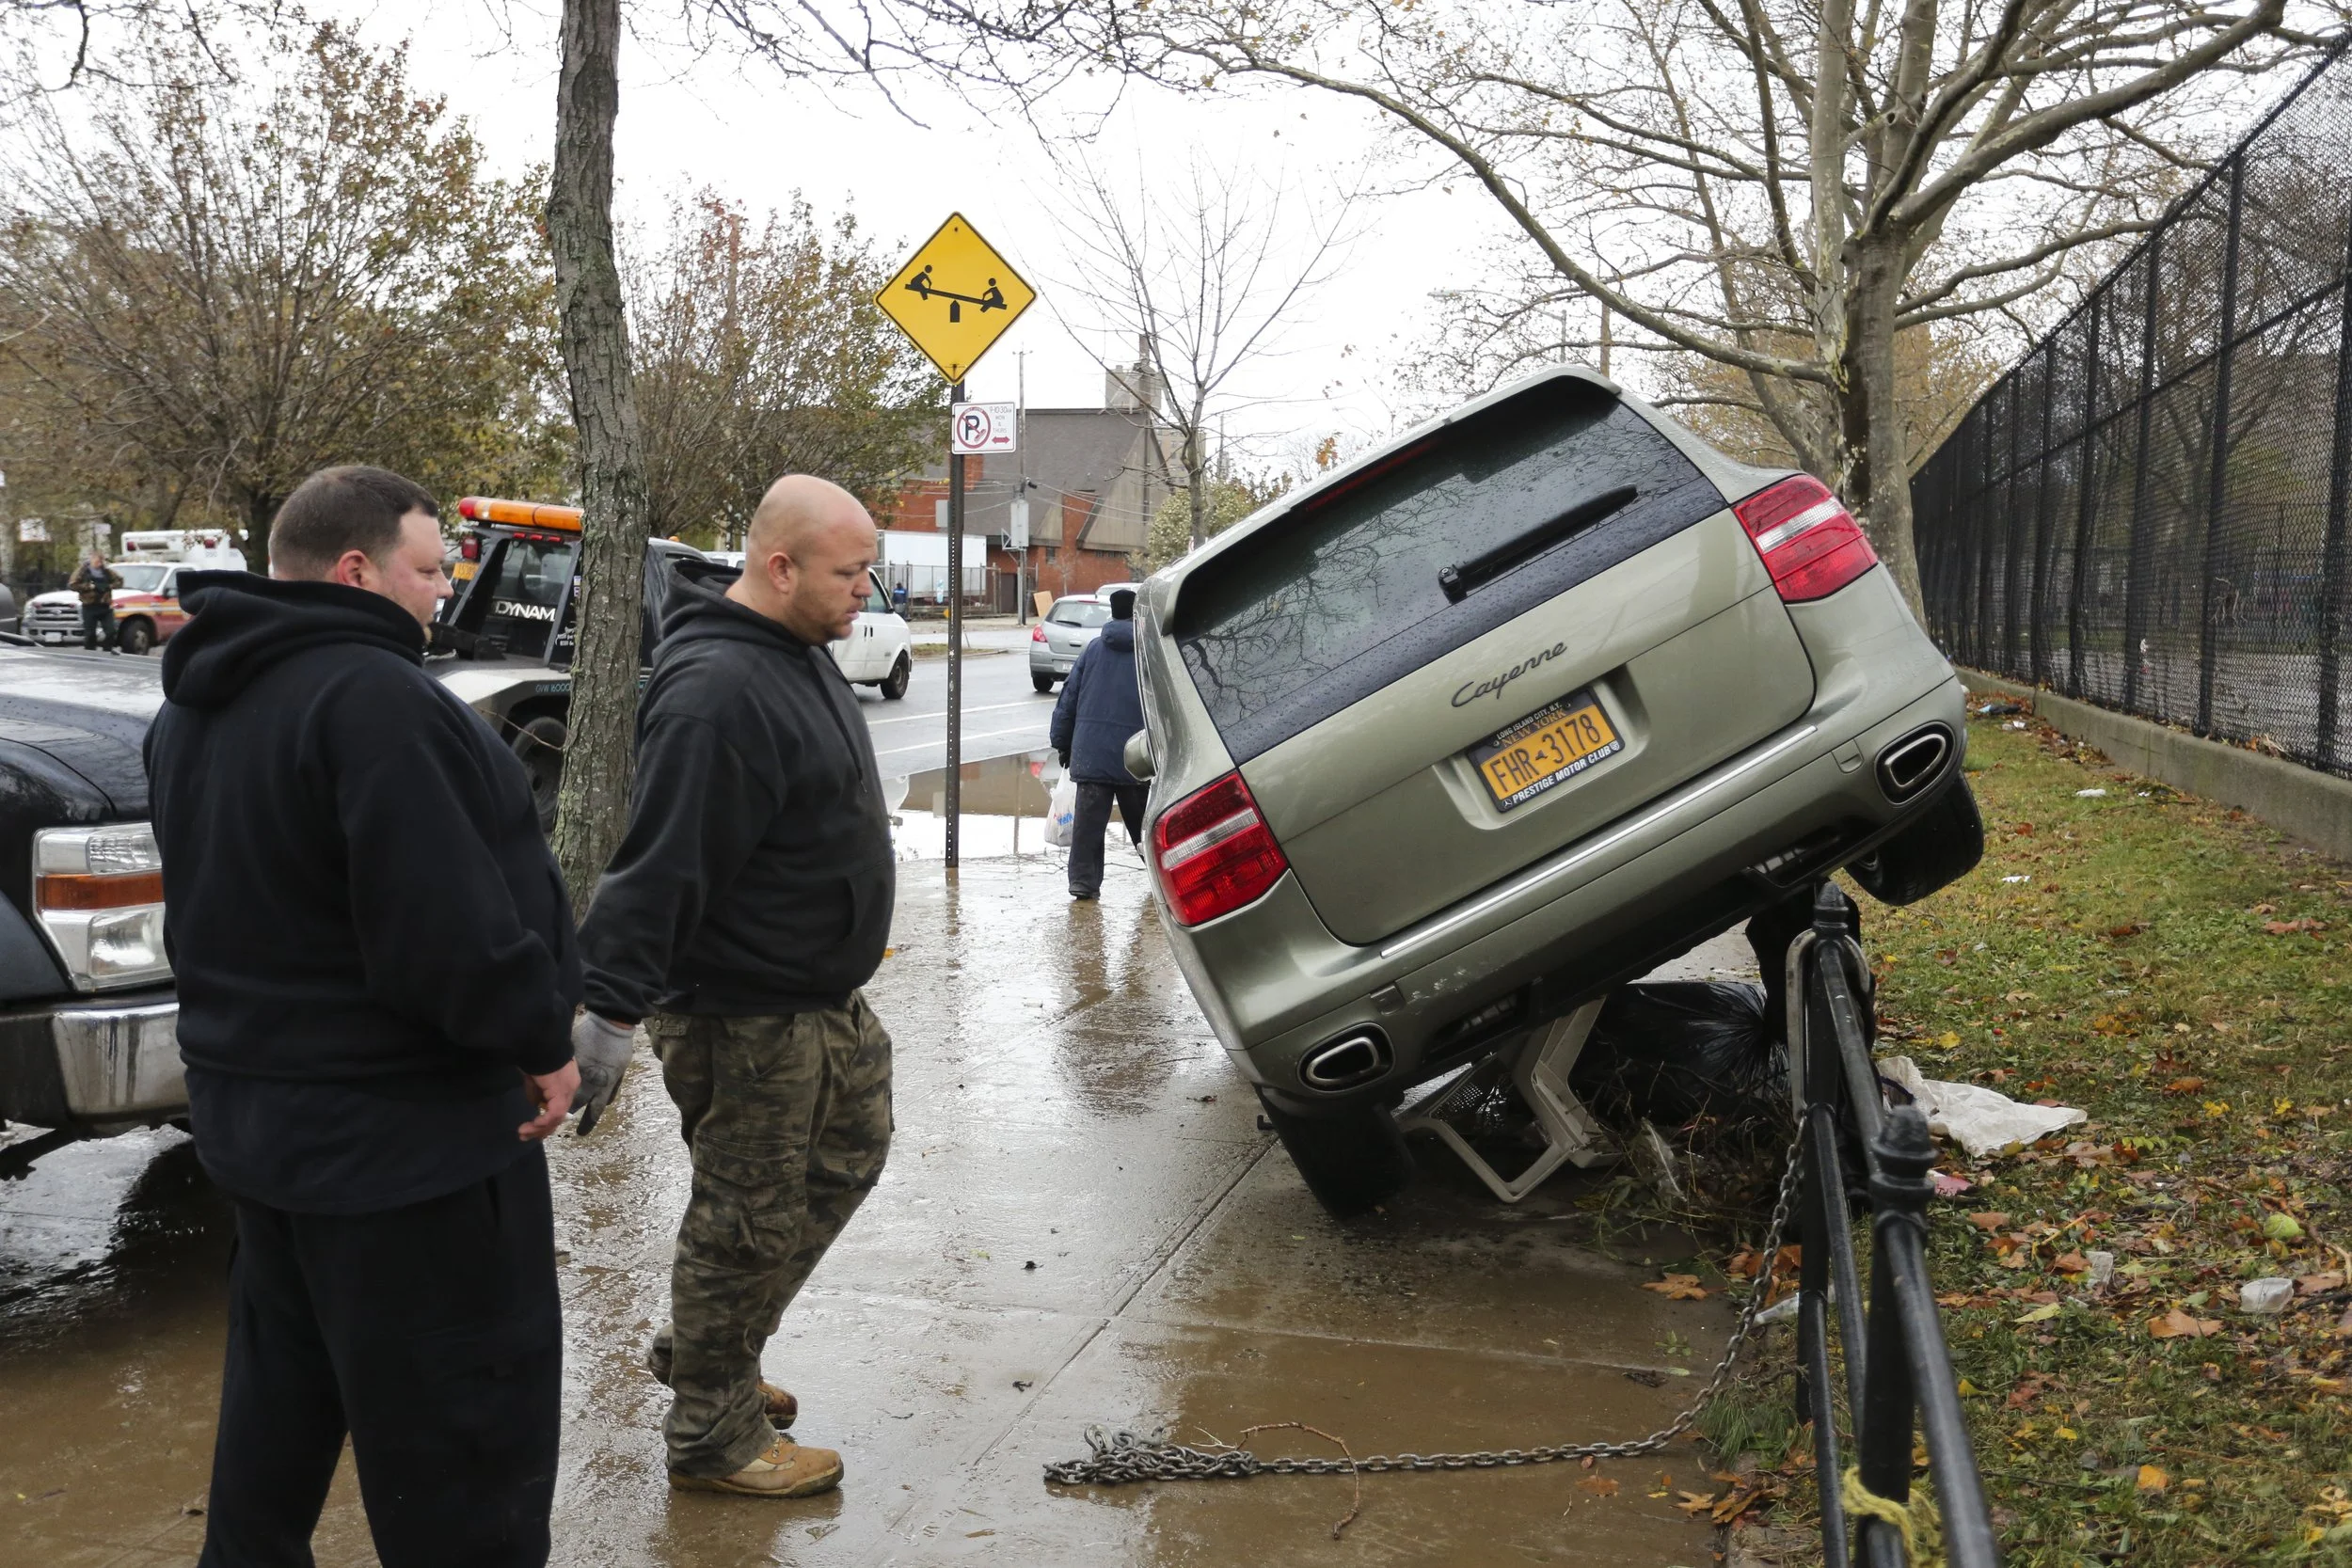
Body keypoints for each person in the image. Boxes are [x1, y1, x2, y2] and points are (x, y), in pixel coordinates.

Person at [144, 465, 600, 1568]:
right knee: (464, 1471)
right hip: (413, 1160)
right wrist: (541, 1041)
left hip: (266, 1143)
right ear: (358, 570)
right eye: (431, 567)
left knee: (271, 1449)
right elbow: (443, 934)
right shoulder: (375, 702)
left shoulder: (195, 705)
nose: (444, 591)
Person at [576, 473, 896, 1500]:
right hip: (744, 1010)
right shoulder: (718, 691)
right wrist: (608, 1011)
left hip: (817, 995)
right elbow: (661, 861)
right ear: (780, 565)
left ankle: (715, 1339)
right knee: (744, 1214)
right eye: (850, 572)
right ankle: (712, 1431)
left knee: (849, 1153)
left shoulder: (790, 653)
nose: (867, 591)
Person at [1049, 586, 1148, 901]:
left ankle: (1083, 884)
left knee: (1088, 829)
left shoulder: (1092, 651)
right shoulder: (1149, 655)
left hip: (1091, 757)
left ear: (1111, 614)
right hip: (1136, 757)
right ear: (1135, 614)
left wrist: (1062, 743)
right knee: (1145, 828)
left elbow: (1068, 701)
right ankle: (1165, 877)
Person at [68, 548, 121, 653]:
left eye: (101, 561)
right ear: (91, 560)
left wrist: (109, 586)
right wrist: (88, 587)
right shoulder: (83, 572)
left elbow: (119, 581)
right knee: (90, 634)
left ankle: (107, 651)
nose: (99, 564)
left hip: (105, 606)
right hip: (89, 606)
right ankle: (90, 654)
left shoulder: (107, 572)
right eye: (97, 561)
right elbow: (72, 585)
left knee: (111, 632)